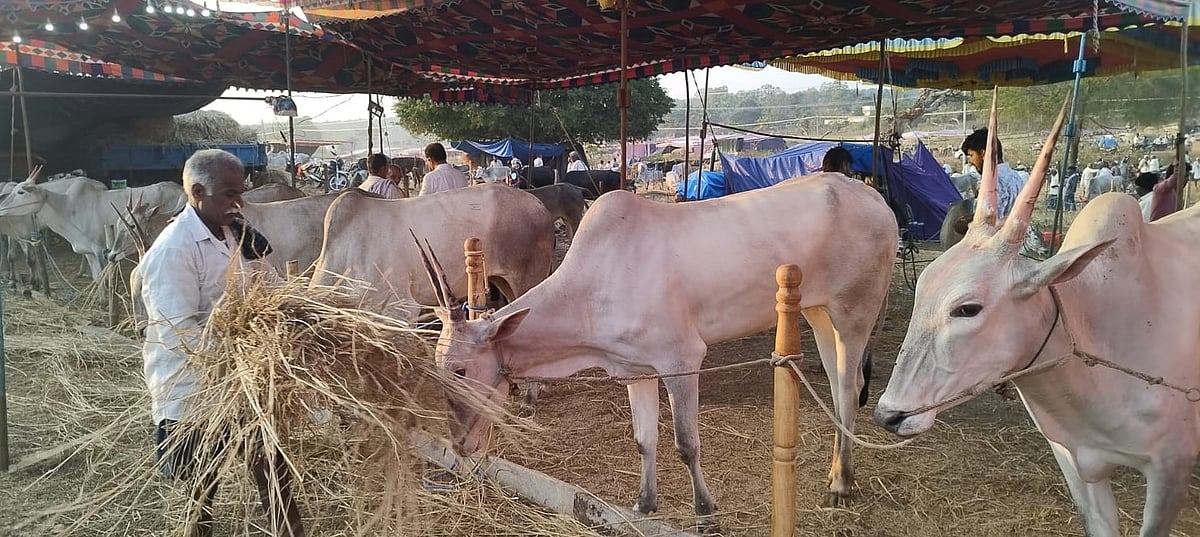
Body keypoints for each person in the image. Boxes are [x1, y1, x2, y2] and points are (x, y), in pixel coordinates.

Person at [140, 149, 304, 537]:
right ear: (198, 192)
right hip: (198, 385)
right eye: (229, 193)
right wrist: (240, 359)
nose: (238, 202)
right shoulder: (173, 250)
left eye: (241, 192)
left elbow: (268, 283)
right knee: (203, 482)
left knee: (272, 467)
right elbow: (178, 331)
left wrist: (299, 311)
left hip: (247, 377)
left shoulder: (237, 232)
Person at [960, 128, 1025, 218]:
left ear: (983, 154)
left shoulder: (990, 183)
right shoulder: (1016, 178)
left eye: (971, 155)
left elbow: (988, 221)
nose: (970, 162)